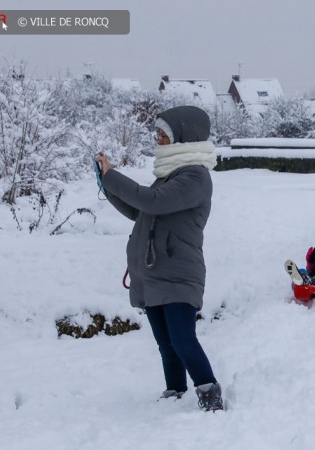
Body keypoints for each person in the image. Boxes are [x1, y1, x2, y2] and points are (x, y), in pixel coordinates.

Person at [95, 105, 224, 412]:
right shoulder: (170, 175)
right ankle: (175, 391)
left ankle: (210, 393)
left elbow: (150, 201)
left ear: (182, 136)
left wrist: (113, 176)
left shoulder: (195, 176)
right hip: (154, 272)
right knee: (166, 343)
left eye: (163, 135)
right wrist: (107, 185)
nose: (158, 140)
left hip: (178, 272)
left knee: (182, 340)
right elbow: (140, 212)